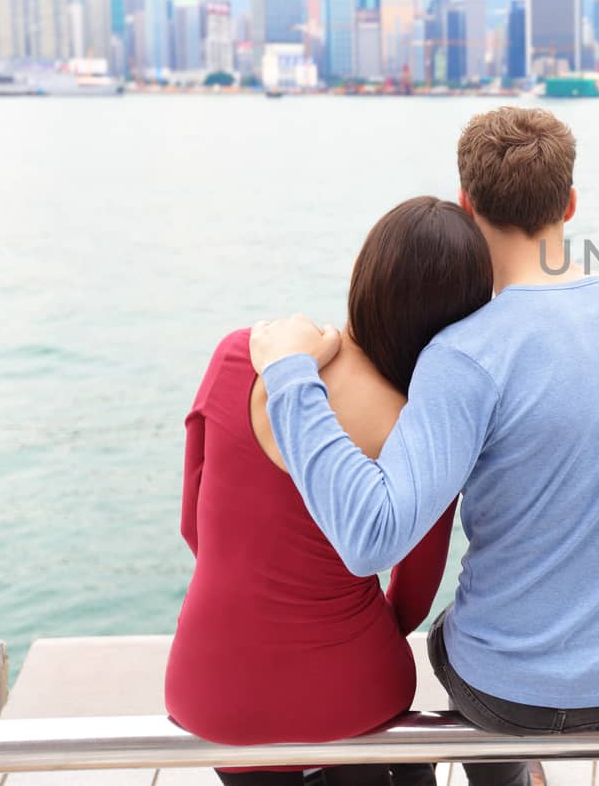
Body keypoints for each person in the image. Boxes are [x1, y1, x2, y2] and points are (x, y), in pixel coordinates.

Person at [249, 107, 599, 786]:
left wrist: (289, 375)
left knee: (460, 649)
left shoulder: (462, 355)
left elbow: (371, 536)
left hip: (507, 694)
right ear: (569, 204)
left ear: (467, 203)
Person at [167, 197, 495, 786]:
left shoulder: (239, 354)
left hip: (211, 684)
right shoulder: (420, 428)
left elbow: (194, 526)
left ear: (360, 275)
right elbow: (413, 596)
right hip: (352, 691)